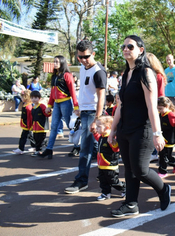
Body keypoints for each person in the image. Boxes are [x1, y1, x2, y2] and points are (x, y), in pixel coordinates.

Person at [108, 35, 170, 217]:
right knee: (128, 169)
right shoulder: (125, 74)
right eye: (124, 46)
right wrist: (112, 129)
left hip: (142, 128)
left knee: (140, 169)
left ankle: (163, 189)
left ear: (140, 50)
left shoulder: (146, 72)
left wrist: (157, 133)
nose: (126, 49)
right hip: (125, 128)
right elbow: (121, 104)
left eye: (131, 46)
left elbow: (152, 106)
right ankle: (131, 204)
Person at [64, 40, 107, 194]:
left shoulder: (98, 71)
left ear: (93, 54)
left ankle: (82, 180)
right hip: (84, 111)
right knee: (95, 147)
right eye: (79, 57)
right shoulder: (83, 67)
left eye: (86, 57)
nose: (82, 60)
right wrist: (79, 108)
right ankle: (104, 174)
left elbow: (101, 96)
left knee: (85, 149)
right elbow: (84, 90)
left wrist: (97, 118)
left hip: (92, 113)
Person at [92, 116, 126, 201]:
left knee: (113, 181)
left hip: (110, 165)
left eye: (99, 126)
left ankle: (124, 188)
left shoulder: (110, 138)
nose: (97, 128)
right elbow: (97, 138)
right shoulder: (102, 136)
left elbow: (116, 149)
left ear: (107, 127)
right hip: (101, 165)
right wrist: (94, 132)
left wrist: (114, 142)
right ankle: (105, 193)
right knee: (103, 181)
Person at [147, 52, 167, 162]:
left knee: (154, 129)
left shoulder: (158, 76)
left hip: (155, 106)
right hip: (148, 105)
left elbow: (161, 94)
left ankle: (154, 152)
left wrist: (158, 107)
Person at [31, 91, 52, 157]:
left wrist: (48, 112)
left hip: (41, 126)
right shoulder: (33, 107)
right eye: (32, 98)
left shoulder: (42, 106)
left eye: (36, 97)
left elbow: (47, 114)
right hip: (35, 127)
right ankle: (38, 149)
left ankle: (39, 150)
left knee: (40, 139)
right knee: (35, 138)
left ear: (39, 98)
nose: (34, 99)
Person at [13, 90, 34, 155]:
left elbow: (30, 117)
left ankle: (21, 148)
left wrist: (29, 125)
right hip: (25, 124)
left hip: (27, 125)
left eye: (22, 97)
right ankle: (34, 146)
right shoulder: (25, 105)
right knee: (30, 136)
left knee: (24, 137)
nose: (21, 98)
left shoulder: (28, 107)